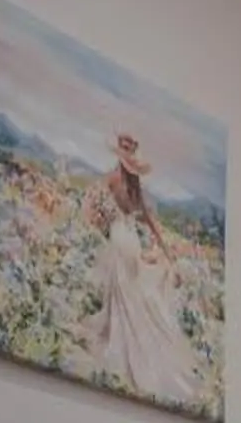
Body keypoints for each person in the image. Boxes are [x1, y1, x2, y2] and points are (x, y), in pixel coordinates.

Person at [82, 132, 198, 407]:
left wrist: (100, 225)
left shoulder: (111, 180)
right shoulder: (135, 188)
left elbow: (90, 206)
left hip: (120, 239)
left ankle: (122, 338)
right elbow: (150, 221)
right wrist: (168, 253)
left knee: (123, 291)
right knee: (129, 291)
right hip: (130, 239)